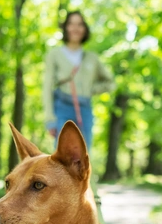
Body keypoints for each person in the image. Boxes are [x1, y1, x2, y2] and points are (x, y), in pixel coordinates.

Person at [42, 11, 115, 152]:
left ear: (85, 29)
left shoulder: (92, 58)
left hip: (84, 108)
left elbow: (110, 82)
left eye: (80, 24)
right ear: (66, 28)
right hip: (61, 106)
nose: (75, 28)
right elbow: (47, 87)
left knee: (83, 153)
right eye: (71, 24)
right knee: (62, 154)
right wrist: (50, 119)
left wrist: (91, 90)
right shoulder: (55, 55)